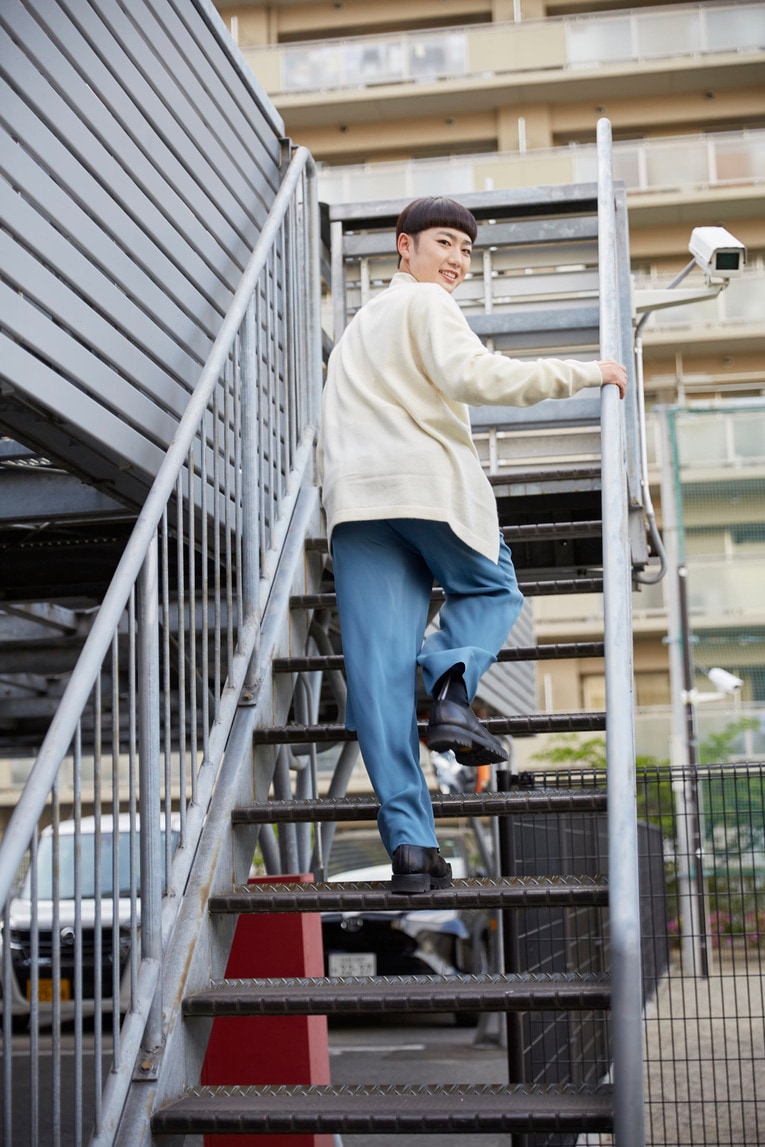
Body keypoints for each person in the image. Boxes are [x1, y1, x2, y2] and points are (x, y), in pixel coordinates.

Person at [317, 196, 627, 893]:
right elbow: (476, 376)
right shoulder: (426, 306)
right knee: (493, 588)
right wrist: (585, 372)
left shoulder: (356, 330)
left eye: (463, 247)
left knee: (375, 679)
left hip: (356, 505)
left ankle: (412, 851)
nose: (455, 260)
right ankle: (452, 690)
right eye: (443, 243)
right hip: (423, 488)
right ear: (405, 247)